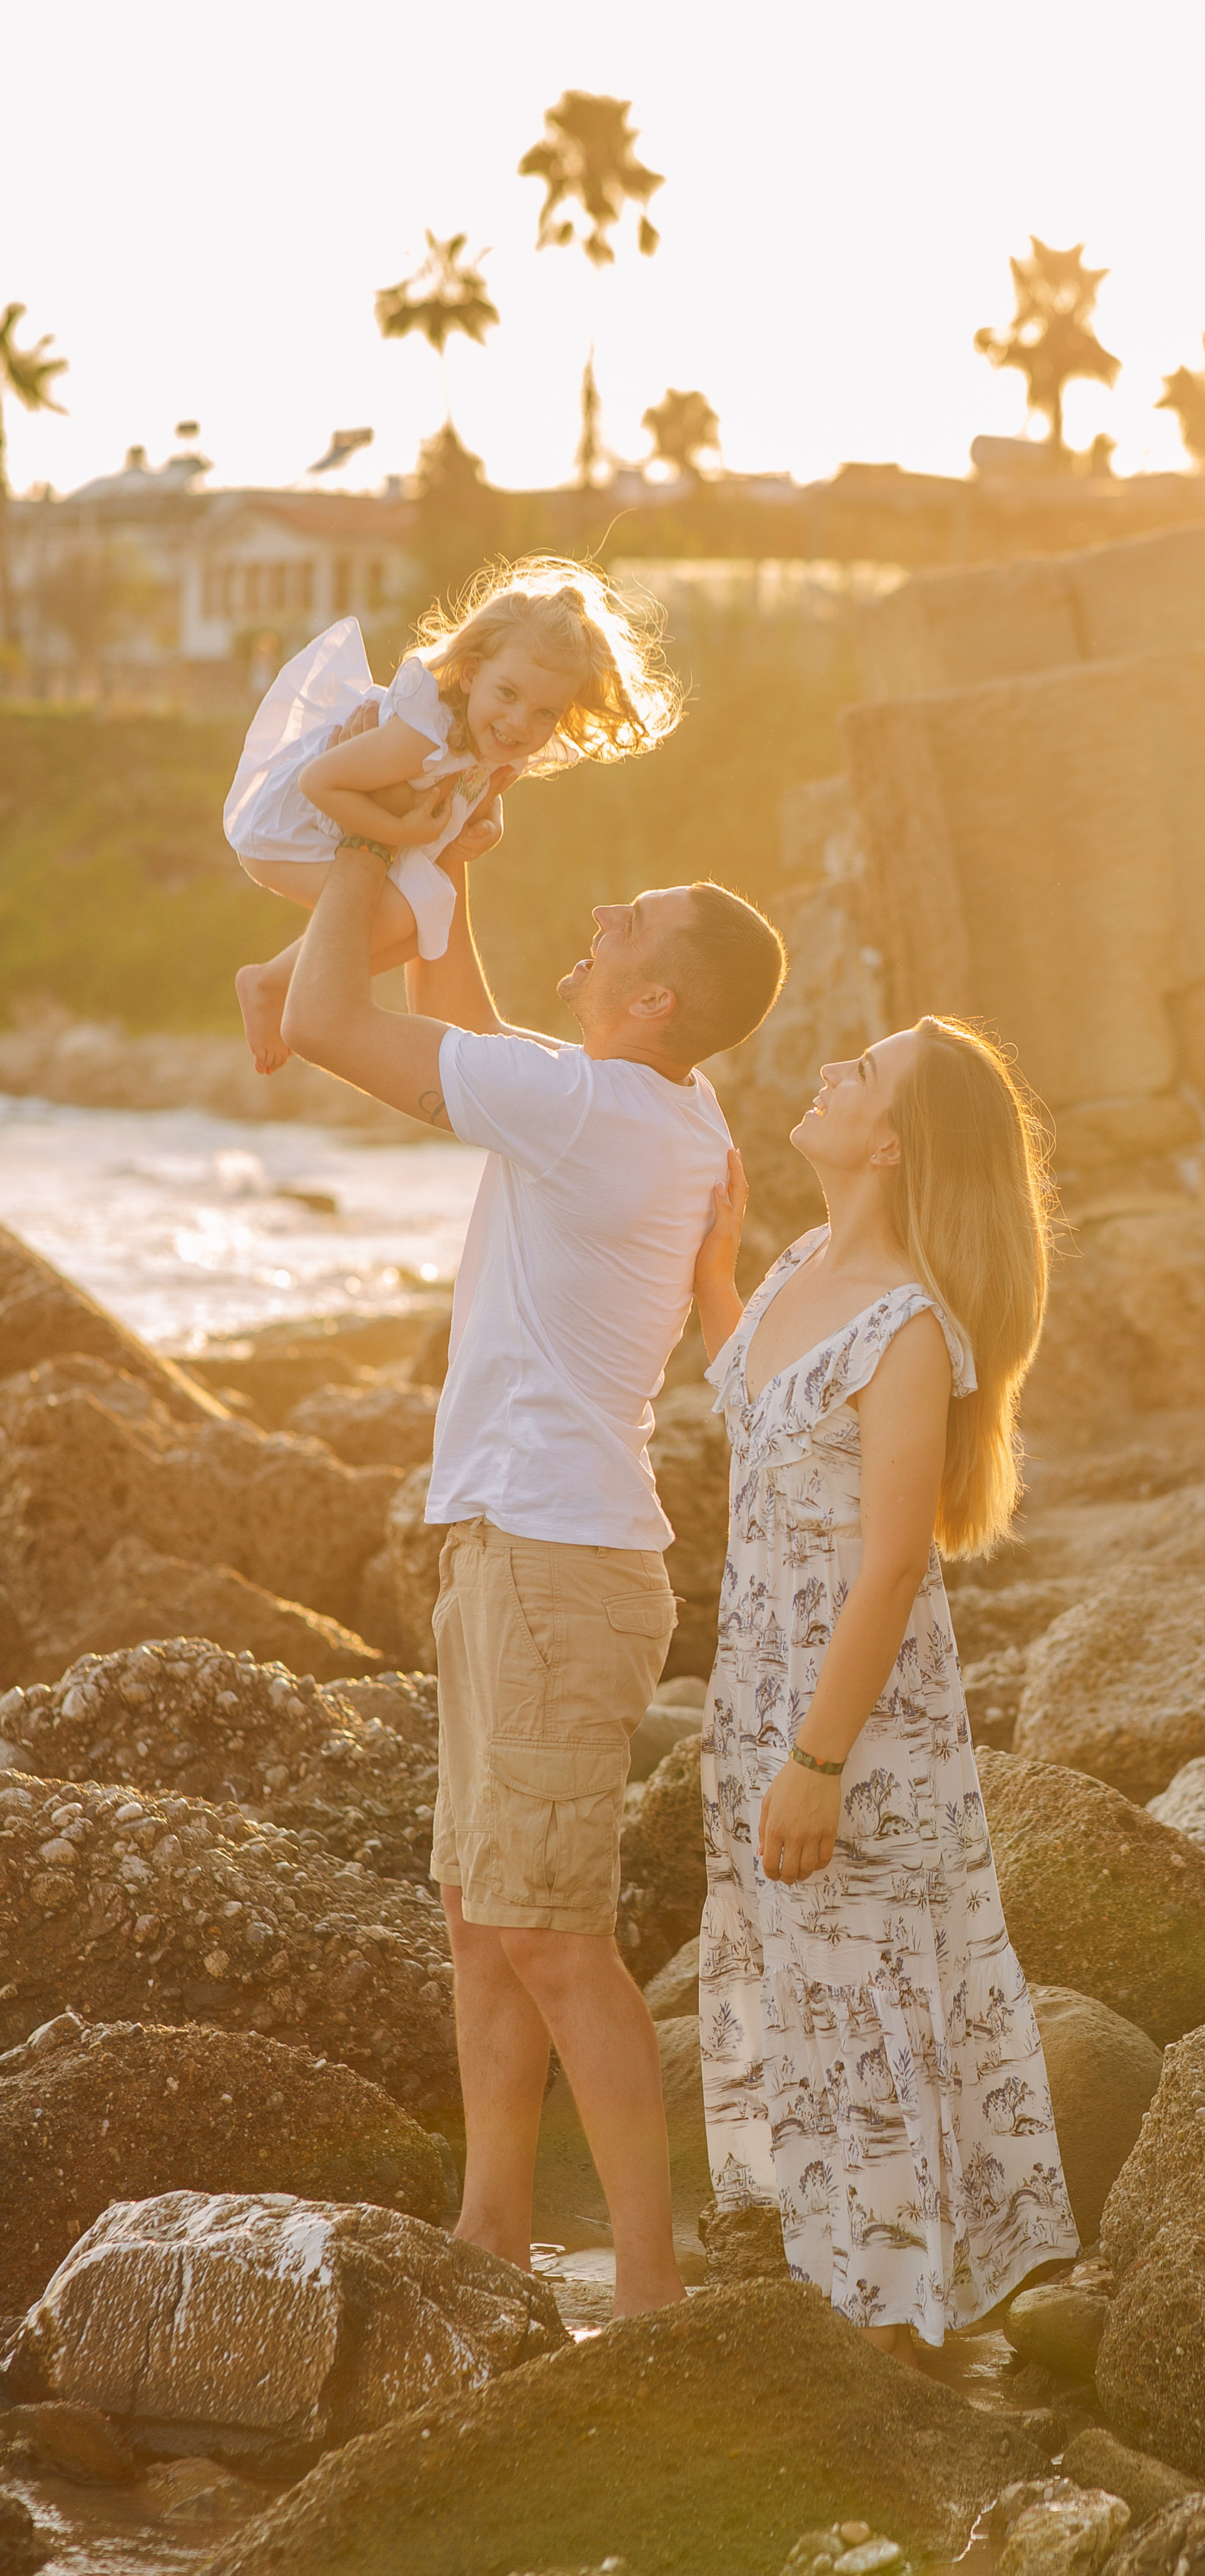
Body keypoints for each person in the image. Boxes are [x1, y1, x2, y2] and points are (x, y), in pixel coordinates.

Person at [278, 822, 785, 2313]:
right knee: (482, 1913)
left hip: (555, 1562)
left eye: (639, 915)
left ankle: (649, 2287)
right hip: (519, 1547)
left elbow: (324, 1019)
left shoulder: (588, 1111)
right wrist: (448, 867)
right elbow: (467, 1028)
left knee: (551, 1937)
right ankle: (489, 2237)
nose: (609, 906)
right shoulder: (640, 1100)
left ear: (654, 999)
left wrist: (361, 846)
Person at [691, 1017, 1079, 2364]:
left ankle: (898, 2332)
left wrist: (817, 1761)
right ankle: (850, 2292)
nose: (828, 1072)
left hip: (854, 1728)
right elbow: (764, 1415)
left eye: (860, 1072)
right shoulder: (799, 1266)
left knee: (872, 2003)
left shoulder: (909, 1326)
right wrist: (715, 1278)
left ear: (896, 1143)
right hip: (760, 1697)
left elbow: (896, 1562)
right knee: (807, 1994)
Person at [223, 555, 675, 1074]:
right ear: (470, 673)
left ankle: (288, 984)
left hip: (351, 825)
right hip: (286, 829)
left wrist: (491, 823)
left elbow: (479, 786)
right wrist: (400, 830)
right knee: (401, 915)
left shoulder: (501, 741)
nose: (519, 722)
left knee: (428, 926)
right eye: (508, 694)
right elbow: (318, 782)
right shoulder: (422, 735)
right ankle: (270, 983)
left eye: (544, 713)